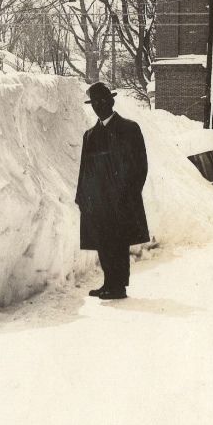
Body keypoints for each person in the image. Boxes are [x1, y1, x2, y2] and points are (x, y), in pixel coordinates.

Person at [75, 81, 150, 301]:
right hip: (99, 200)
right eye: (94, 103)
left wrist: (130, 194)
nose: (98, 106)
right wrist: (82, 196)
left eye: (102, 101)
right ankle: (109, 282)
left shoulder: (129, 129)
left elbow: (140, 165)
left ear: (111, 101)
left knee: (119, 242)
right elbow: (85, 169)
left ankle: (119, 286)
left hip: (121, 199)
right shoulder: (90, 135)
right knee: (103, 242)